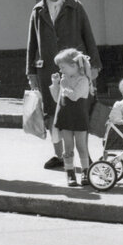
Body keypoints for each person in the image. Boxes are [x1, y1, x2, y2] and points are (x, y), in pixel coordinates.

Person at [26, 0, 102, 170]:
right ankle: (59, 155)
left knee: (79, 112)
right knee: (52, 113)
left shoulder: (75, 6)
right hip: (47, 70)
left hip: (75, 69)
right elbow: (32, 43)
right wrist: (31, 73)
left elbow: (88, 35)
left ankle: (85, 156)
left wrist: (94, 65)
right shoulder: (37, 10)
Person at [49, 48, 93, 187]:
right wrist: (55, 84)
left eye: (62, 67)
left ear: (73, 66)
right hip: (65, 116)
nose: (61, 71)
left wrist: (64, 86)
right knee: (68, 147)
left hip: (79, 116)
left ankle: (85, 172)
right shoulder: (64, 79)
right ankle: (70, 173)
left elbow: (74, 97)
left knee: (81, 146)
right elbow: (57, 99)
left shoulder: (83, 80)